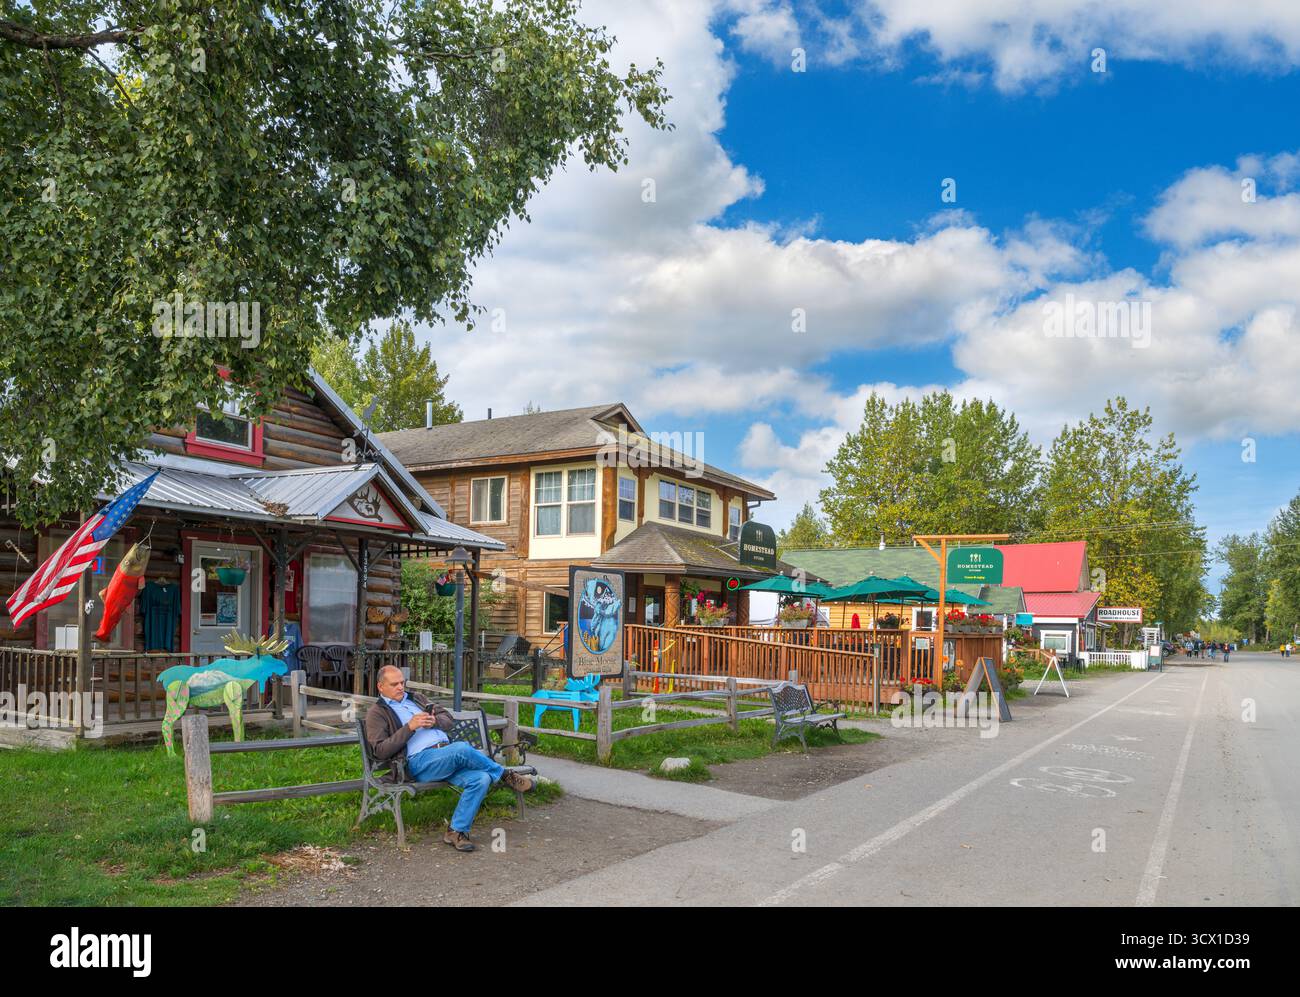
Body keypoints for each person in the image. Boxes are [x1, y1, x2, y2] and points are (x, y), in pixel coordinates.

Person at [365, 665, 534, 852]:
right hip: (418, 763)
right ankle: (504, 774)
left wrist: (435, 721)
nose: (400, 687)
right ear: (381, 687)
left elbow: (448, 718)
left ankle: (456, 831)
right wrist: (409, 727)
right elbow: (380, 750)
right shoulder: (377, 713)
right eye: (394, 684)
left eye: (402, 683)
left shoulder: (416, 699)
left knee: (481, 779)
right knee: (461, 748)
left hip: (446, 757)